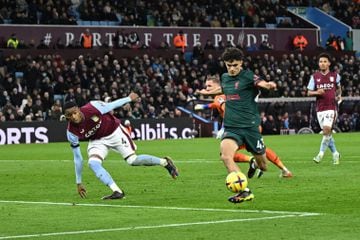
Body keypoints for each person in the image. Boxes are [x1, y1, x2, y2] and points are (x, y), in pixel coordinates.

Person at [64, 92, 179, 200]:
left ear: (78, 110)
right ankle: (117, 191)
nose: (74, 117)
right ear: (66, 116)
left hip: (115, 132)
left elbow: (112, 105)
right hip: (97, 141)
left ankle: (165, 162)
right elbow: (77, 158)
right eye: (70, 115)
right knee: (93, 163)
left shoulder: (92, 107)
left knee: (132, 160)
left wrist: (128, 99)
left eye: (75, 113)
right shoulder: (71, 132)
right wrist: (78, 182)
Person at [198, 48, 277, 203]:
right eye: (229, 65)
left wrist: (268, 85)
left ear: (241, 63)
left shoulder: (248, 76)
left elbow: (260, 83)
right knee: (226, 156)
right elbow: (225, 88)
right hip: (232, 127)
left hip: (250, 128)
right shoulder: (225, 77)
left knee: (264, 166)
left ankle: (255, 164)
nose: (232, 68)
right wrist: (209, 93)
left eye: (235, 65)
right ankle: (244, 191)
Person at [195, 75, 292, 179]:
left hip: (240, 128)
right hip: (252, 125)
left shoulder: (219, 97)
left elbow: (225, 108)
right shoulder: (230, 92)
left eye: (209, 86)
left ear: (218, 86)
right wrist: (204, 106)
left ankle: (250, 164)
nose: (207, 88)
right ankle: (284, 170)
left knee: (227, 155)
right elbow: (216, 105)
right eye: (206, 86)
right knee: (260, 150)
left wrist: (224, 127)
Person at [307, 53, 341, 164]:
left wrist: (339, 95)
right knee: (327, 134)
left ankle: (320, 154)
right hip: (320, 109)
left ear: (329, 63)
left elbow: (339, 88)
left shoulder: (335, 76)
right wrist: (317, 92)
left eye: (325, 61)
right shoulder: (314, 77)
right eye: (321, 61)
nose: (322, 63)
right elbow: (308, 92)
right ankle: (335, 153)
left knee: (326, 130)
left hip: (331, 107)